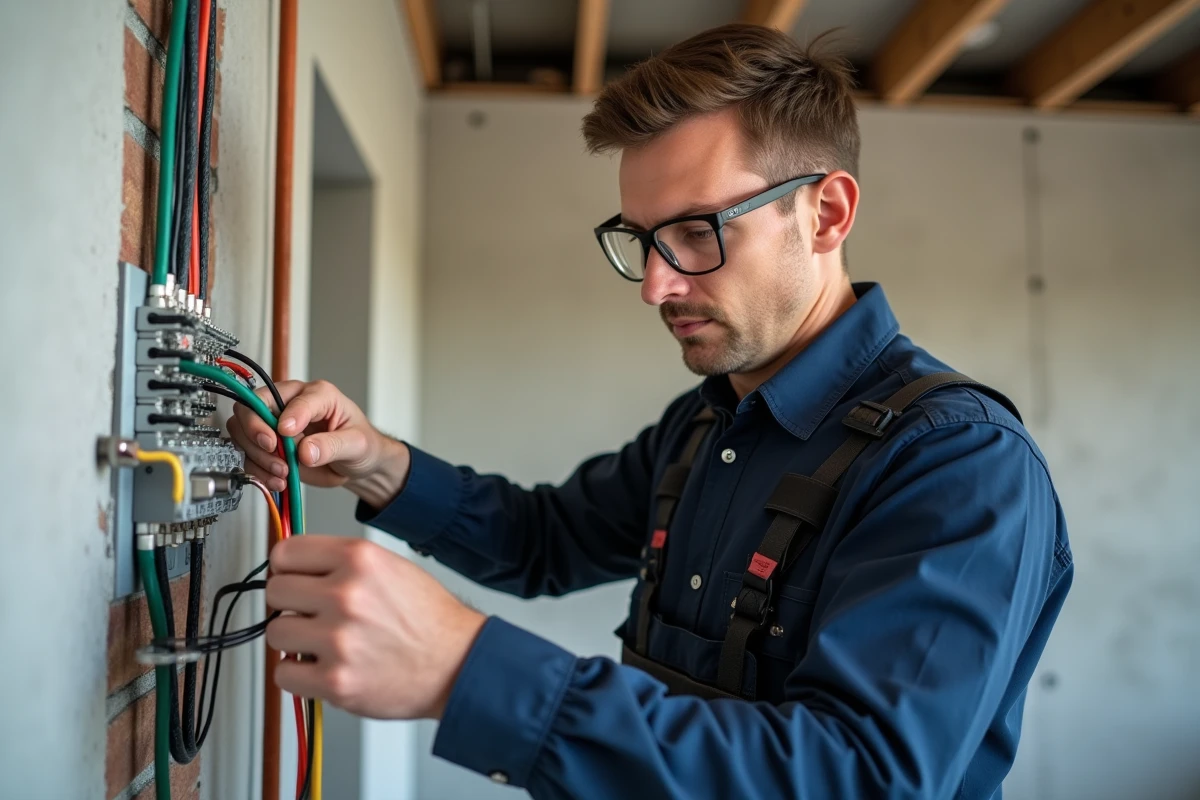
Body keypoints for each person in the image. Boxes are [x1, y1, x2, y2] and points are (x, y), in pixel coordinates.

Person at [230, 23, 1073, 799]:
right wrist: (377, 460)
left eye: (699, 232)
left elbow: (859, 778)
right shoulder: (707, 424)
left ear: (826, 214)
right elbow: (545, 540)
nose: (656, 285)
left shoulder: (960, 464)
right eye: (642, 239)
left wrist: (465, 671)